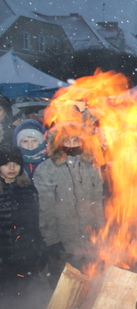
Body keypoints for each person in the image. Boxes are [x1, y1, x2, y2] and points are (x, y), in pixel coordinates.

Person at [33, 122, 104, 288]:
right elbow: (46, 209)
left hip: (89, 241)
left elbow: (97, 202)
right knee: (65, 290)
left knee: (91, 287)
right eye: (67, 141)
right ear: (58, 144)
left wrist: (99, 230)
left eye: (75, 140)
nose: (72, 145)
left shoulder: (91, 166)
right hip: (64, 242)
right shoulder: (47, 170)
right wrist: (52, 241)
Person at [0, 146, 47, 309]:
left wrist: (39, 250)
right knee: (6, 307)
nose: (11, 167)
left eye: (16, 163)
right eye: (6, 163)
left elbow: (34, 224)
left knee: (28, 305)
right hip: (4, 263)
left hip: (26, 258)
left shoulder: (28, 189)